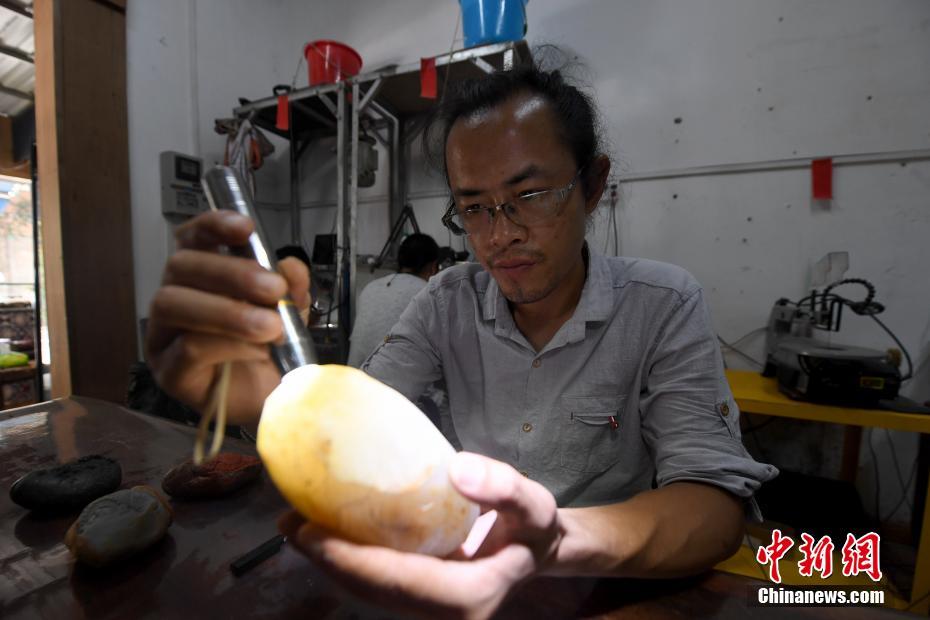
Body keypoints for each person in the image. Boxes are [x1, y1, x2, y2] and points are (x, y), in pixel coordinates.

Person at [146, 61, 777, 619]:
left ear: (592, 186)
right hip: (456, 584)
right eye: (474, 207)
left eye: (530, 195)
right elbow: (346, 419)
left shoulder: (663, 304)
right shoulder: (446, 302)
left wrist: (552, 542)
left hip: (617, 594)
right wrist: (264, 393)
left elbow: (713, 509)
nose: (500, 236)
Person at [346, 233, 439, 367]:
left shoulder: (370, 288)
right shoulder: (429, 294)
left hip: (355, 375)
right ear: (433, 267)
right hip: (394, 379)